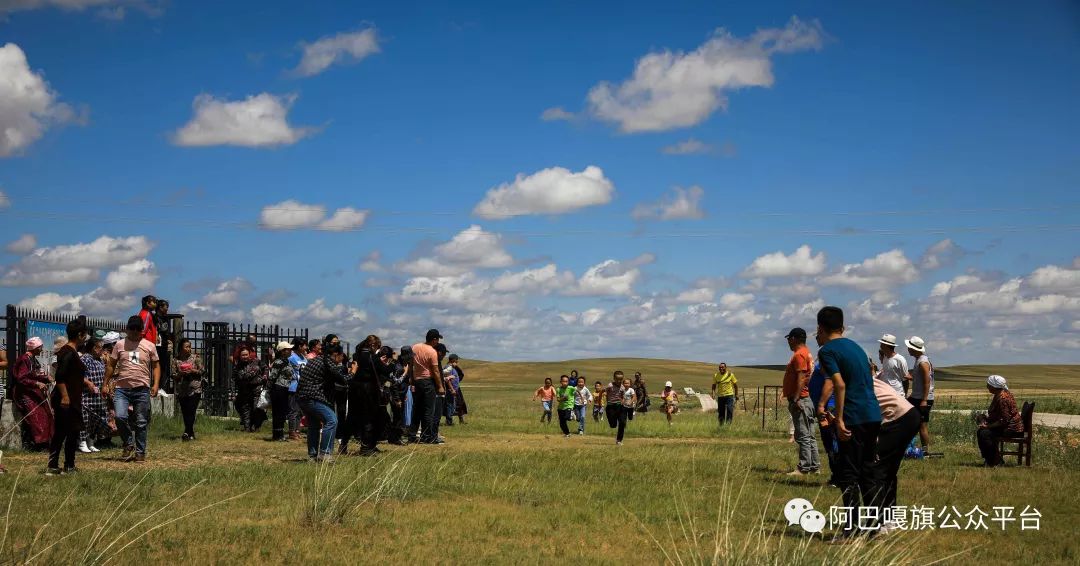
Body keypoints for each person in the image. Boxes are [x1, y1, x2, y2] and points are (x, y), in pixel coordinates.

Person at [814, 306, 882, 539]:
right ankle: (874, 527)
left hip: (852, 416)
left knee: (849, 474)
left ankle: (850, 529)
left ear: (820, 328)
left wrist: (839, 418)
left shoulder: (827, 351)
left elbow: (839, 384)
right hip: (872, 414)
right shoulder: (857, 348)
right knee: (867, 472)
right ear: (842, 327)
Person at [867, 377, 920, 536]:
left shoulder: (854, 382)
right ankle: (890, 518)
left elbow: (869, 413)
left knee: (878, 471)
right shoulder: (867, 378)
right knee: (888, 471)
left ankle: (880, 522)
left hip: (897, 419)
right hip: (908, 415)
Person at [104, 316, 161, 463]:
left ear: (141, 330)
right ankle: (128, 443)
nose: (134, 332)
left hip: (142, 388)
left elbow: (156, 366)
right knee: (120, 417)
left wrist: (155, 385)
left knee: (141, 421)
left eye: (137, 329)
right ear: (127, 329)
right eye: (132, 329)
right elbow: (111, 365)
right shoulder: (119, 345)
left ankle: (140, 452)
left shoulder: (149, 346)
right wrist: (105, 383)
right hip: (122, 388)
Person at [46, 319, 93, 475]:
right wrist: (65, 397)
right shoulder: (67, 352)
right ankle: (56, 465)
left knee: (71, 432)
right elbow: (60, 376)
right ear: (80, 335)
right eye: (85, 333)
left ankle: (68, 464)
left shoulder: (72, 352)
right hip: (66, 400)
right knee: (63, 432)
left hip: (74, 398)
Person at [297, 343, 352, 462]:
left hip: (302, 397)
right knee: (332, 420)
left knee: (314, 426)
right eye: (342, 356)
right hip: (313, 397)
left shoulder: (318, 360)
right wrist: (353, 372)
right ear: (336, 354)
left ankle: (312, 455)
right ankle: (325, 453)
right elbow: (342, 380)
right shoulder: (328, 363)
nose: (342, 359)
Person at [341, 335, 391, 456]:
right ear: (373, 345)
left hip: (354, 389)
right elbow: (385, 371)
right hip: (368, 391)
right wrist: (388, 363)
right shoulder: (372, 357)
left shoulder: (357, 355)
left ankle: (343, 445)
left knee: (351, 417)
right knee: (369, 418)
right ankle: (366, 447)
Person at [782, 328, 820, 476]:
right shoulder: (807, 353)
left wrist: (796, 397)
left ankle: (804, 467)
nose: (788, 342)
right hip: (805, 398)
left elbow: (802, 377)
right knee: (809, 435)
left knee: (803, 435)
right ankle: (814, 466)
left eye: (789, 339)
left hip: (801, 399)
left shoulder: (799, 355)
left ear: (794, 339)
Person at [12, 337, 54, 450]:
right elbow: (21, 379)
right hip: (24, 392)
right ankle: (38, 444)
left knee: (47, 413)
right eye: (40, 347)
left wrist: (45, 378)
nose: (42, 349)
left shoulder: (33, 359)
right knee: (37, 416)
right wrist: (36, 383)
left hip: (32, 391)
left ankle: (46, 442)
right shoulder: (23, 359)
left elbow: (34, 375)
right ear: (35, 348)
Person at [976, 375, 1024, 467]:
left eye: (988, 384)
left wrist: (988, 426)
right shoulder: (999, 394)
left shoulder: (1003, 399)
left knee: (984, 433)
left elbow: (1004, 420)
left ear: (994, 387)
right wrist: (984, 420)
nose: (987, 386)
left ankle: (995, 461)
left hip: (1011, 429)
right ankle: (990, 459)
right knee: (981, 432)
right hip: (1006, 426)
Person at [409, 329, 446, 445]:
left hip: (417, 380)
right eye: (437, 339)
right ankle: (427, 436)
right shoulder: (432, 352)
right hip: (428, 381)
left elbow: (410, 365)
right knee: (428, 410)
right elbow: (435, 371)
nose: (438, 342)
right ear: (434, 339)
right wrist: (440, 386)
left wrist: (412, 379)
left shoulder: (415, 347)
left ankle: (412, 434)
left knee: (416, 409)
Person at [78, 338, 109, 453]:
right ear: (94, 348)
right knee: (85, 419)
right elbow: (78, 374)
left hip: (98, 395)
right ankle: (82, 442)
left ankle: (91, 441)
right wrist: (88, 383)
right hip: (86, 394)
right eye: (100, 348)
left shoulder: (100, 360)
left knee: (97, 419)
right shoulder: (85, 359)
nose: (102, 350)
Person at [905, 336, 935, 451]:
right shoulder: (920, 360)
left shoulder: (923, 362)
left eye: (909, 347)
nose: (908, 349)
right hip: (916, 396)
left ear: (914, 349)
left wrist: (924, 400)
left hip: (922, 398)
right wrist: (910, 377)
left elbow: (927, 382)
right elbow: (921, 379)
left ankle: (925, 451)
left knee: (922, 425)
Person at [172, 337, 204, 441]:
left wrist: (193, 370)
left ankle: (186, 432)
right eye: (186, 347)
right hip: (182, 390)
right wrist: (180, 373)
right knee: (185, 412)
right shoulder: (176, 360)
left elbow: (202, 371)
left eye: (190, 347)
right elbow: (173, 375)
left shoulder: (196, 358)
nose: (189, 349)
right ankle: (190, 433)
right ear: (181, 348)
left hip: (195, 388)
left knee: (191, 410)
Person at [233, 346, 267, 432]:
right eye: (243, 355)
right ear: (240, 356)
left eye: (246, 354)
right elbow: (241, 377)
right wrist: (254, 372)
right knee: (245, 409)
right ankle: (247, 428)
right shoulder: (238, 366)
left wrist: (264, 376)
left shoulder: (256, 361)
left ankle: (257, 426)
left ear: (249, 354)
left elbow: (265, 368)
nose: (245, 356)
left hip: (256, 389)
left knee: (257, 408)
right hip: (244, 390)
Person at [268, 341, 294, 442]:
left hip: (285, 388)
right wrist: (268, 389)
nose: (291, 351)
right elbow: (273, 376)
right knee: (278, 412)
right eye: (288, 349)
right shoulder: (279, 362)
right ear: (283, 351)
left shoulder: (287, 361)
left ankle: (280, 433)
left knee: (282, 412)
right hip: (278, 388)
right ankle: (277, 434)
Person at [287, 338, 308, 441]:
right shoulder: (291, 357)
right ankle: (291, 431)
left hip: (302, 386)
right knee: (293, 410)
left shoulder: (303, 357)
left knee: (300, 411)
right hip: (293, 386)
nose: (306, 347)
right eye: (305, 345)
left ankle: (297, 430)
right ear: (299, 346)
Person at [155, 300, 174, 393]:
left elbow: (165, 331)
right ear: (160, 307)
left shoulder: (165, 318)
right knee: (157, 365)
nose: (167, 309)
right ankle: (156, 386)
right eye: (165, 307)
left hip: (164, 344)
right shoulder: (155, 318)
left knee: (164, 366)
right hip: (157, 345)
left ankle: (161, 387)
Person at [605, 371, 628, 445]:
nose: (619, 381)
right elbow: (605, 392)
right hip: (611, 406)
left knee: (622, 422)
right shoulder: (610, 385)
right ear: (614, 378)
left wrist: (623, 401)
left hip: (620, 406)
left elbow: (623, 396)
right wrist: (607, 400)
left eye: (621, 379)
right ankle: (612, 422)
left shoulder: (622, 387)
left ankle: (619, 440)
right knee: (613, 425)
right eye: (617, 379)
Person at [436, 344, 457, 426]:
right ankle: (449, 421)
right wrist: (452, 389)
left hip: (449, 389)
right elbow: (444, 376)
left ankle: (449, 420)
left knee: (451, 405)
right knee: (449, 405)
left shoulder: (449, 367)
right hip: (447, 390)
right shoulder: (447, 367)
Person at [448, 354, 468, 424]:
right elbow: (447, 379)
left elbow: (461, 374)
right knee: (450, 405)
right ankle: (449, 421)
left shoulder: (454, 368)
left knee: (460, 404)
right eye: (456, 360)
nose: (457, 362)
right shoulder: (448, 368)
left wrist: (456, 367)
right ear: (453, 360)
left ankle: (461, 420)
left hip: (457, 388)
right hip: (451, 389)